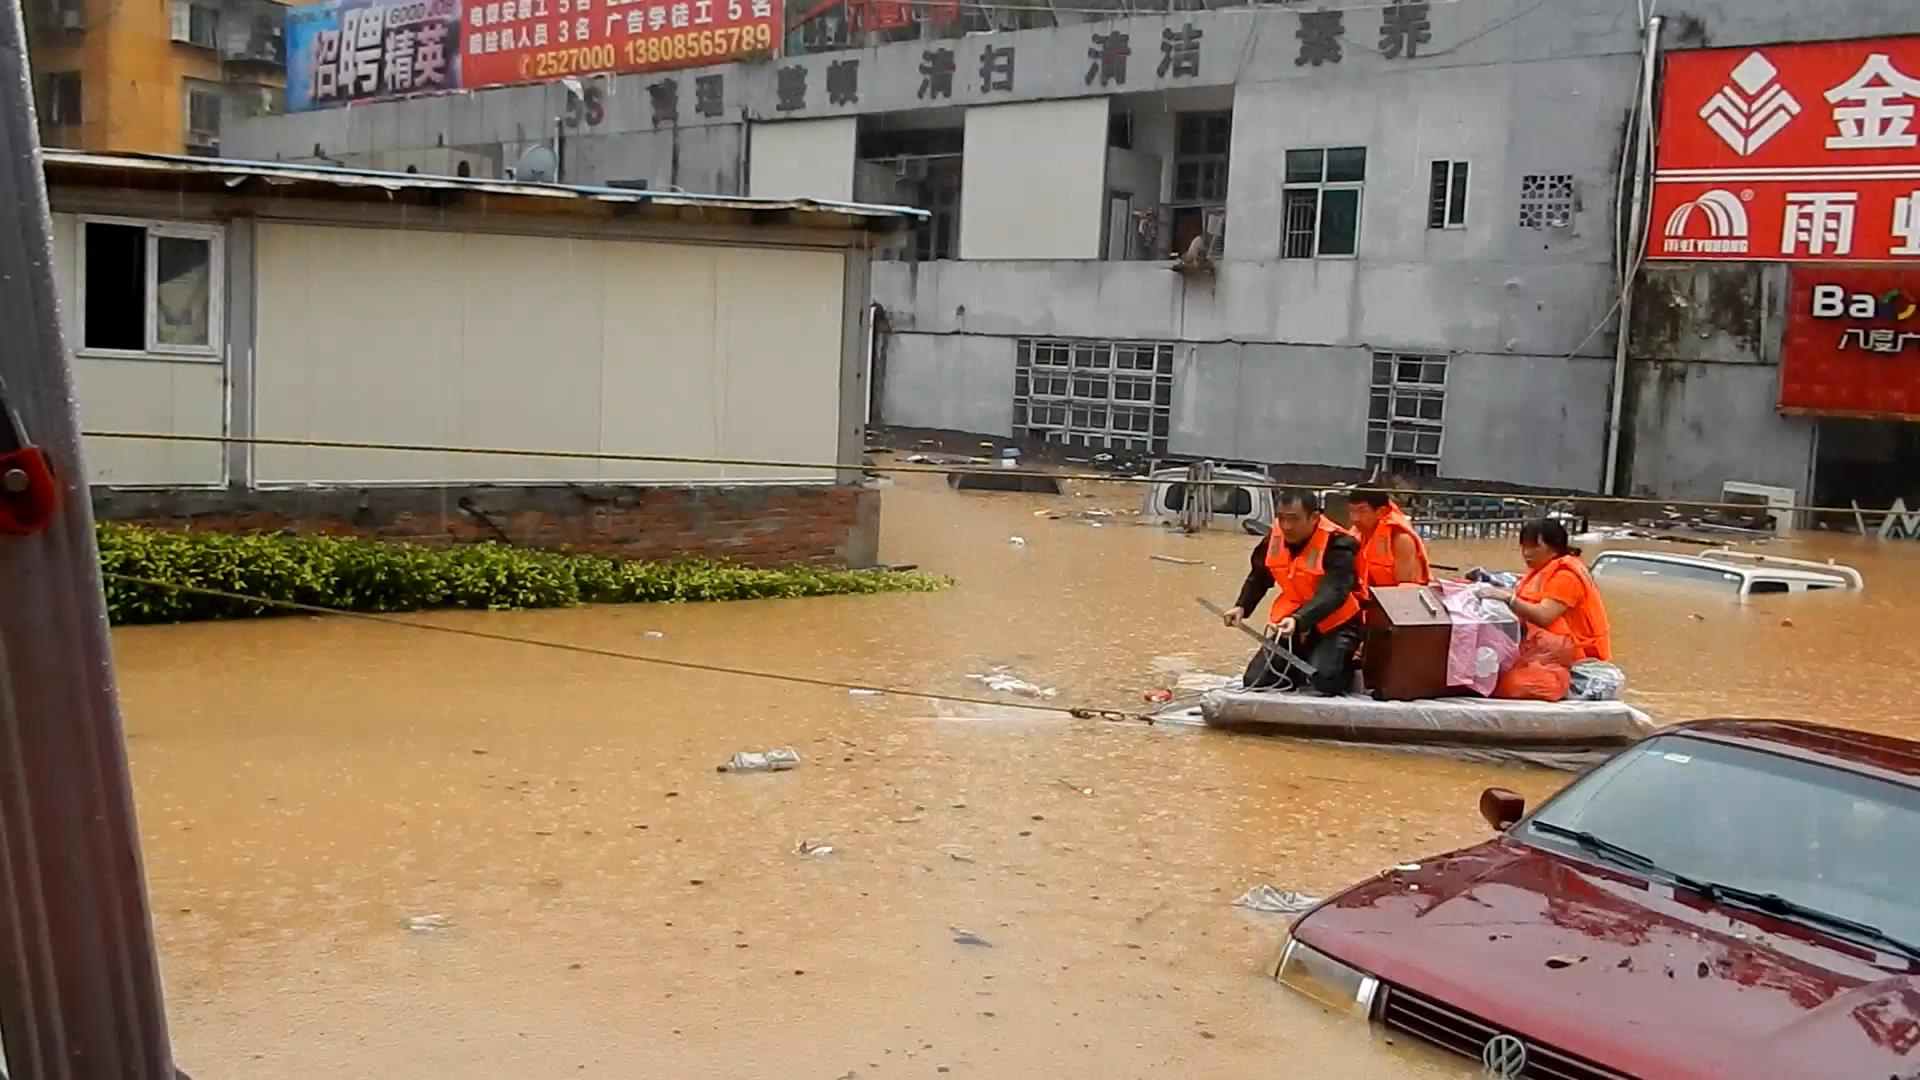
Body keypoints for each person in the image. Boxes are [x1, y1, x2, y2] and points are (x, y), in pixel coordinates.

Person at [1220, 491, 1365, 696]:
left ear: (1314, 518)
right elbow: (1259, 576)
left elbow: (1334, 591)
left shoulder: (1339, 543)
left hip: (1336, 622)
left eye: (1294, 519)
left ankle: (1348, 663)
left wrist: (1299, 619)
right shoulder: (1274, 538)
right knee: (1257, 681)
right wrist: (1242, 606)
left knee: (1325, 681)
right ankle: (1303, 662)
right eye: (1282, 518)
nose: (1286, 526)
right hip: (1292, 624)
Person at [1476, 518, 1613, 662]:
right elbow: (1526, 594)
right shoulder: (1542, 569)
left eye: (1534, 547)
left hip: (1579, 657)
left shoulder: (1566, 576)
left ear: (1554, 546)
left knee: (1514, 681)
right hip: (1550, 649)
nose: (1526, 553)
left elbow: (1544, 616)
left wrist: (1508, 599)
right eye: (1524, 547)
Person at [1349, 489, 1431, 588]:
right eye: (1352, 511)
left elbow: (1406, 588)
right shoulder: (1355, 534)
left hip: (1396, 597)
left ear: (1381, 512)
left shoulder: (1401, 539)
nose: (1355, 518)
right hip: (1368, 594)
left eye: (1362, 511)